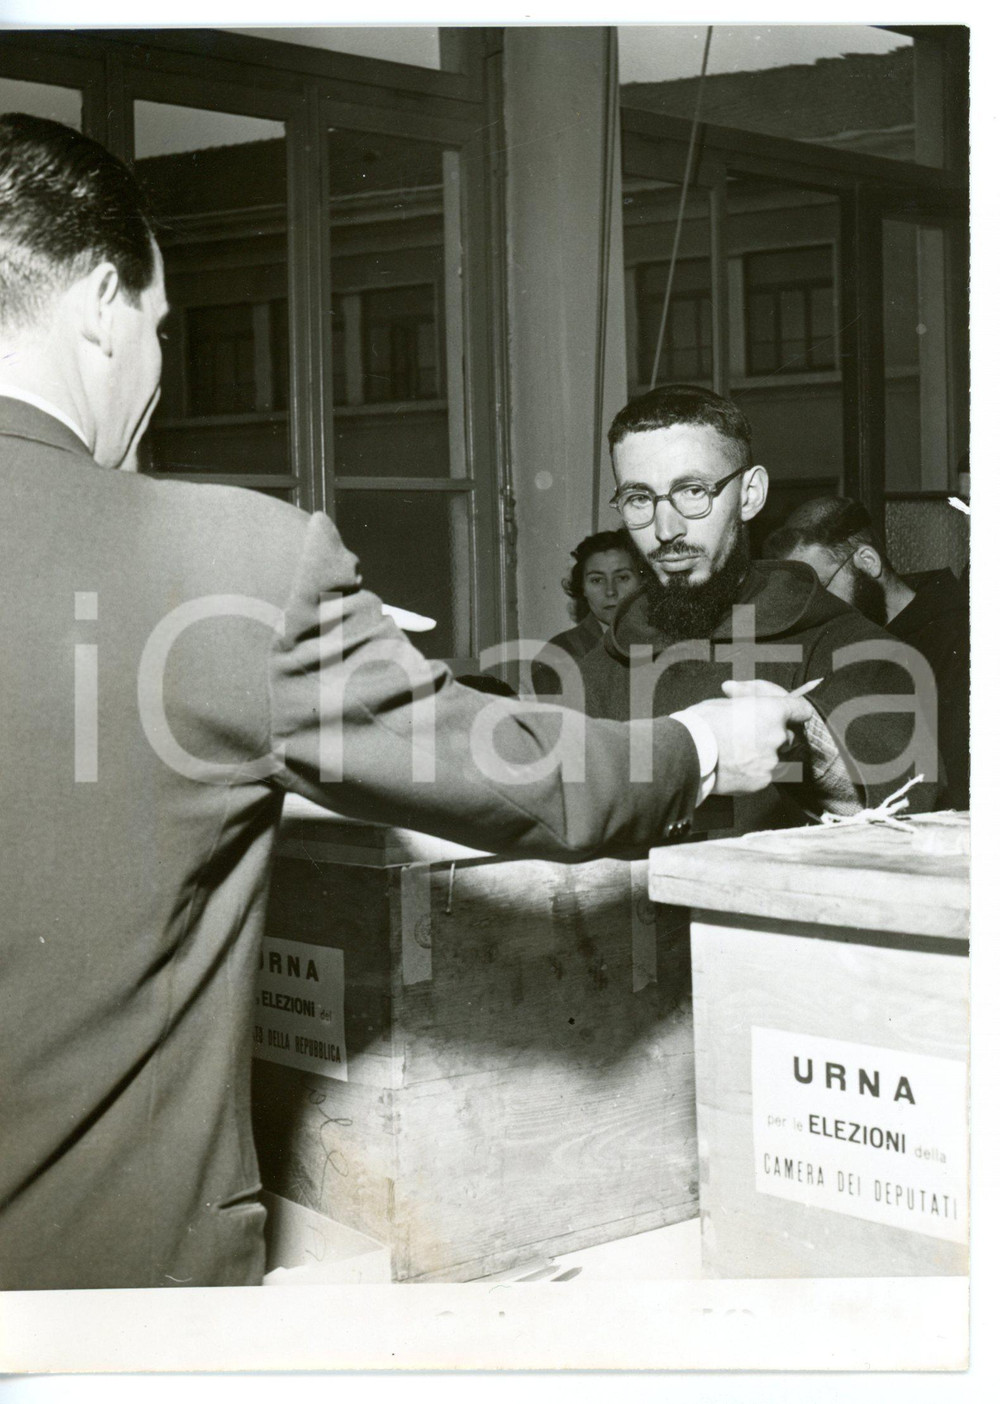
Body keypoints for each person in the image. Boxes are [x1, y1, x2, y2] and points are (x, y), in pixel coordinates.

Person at [0, 115, 812, 1291]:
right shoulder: (228, 566)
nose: (158, 370)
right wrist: (706, 743)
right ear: (102, 308)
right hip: (101, 1291)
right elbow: (539, 784)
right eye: (165, 329)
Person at [579, 384, 942, 832]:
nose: (665, 529)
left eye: (692, 491)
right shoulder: (594, 671)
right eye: (639, 499)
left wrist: (809, 740)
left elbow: (907, 820)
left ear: (749, 495)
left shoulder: (852, 647)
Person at [762, 495, 969, 808]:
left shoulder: (964, 638)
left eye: (823, 590)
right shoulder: (837, 645)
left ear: (868, 562)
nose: (816, 610)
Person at [531, 529, 641, 696]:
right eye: (597, 580)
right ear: (582, 588)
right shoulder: (558, 654)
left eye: (623, 577)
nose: (610, 591)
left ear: (642, 582)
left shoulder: (665, 641)